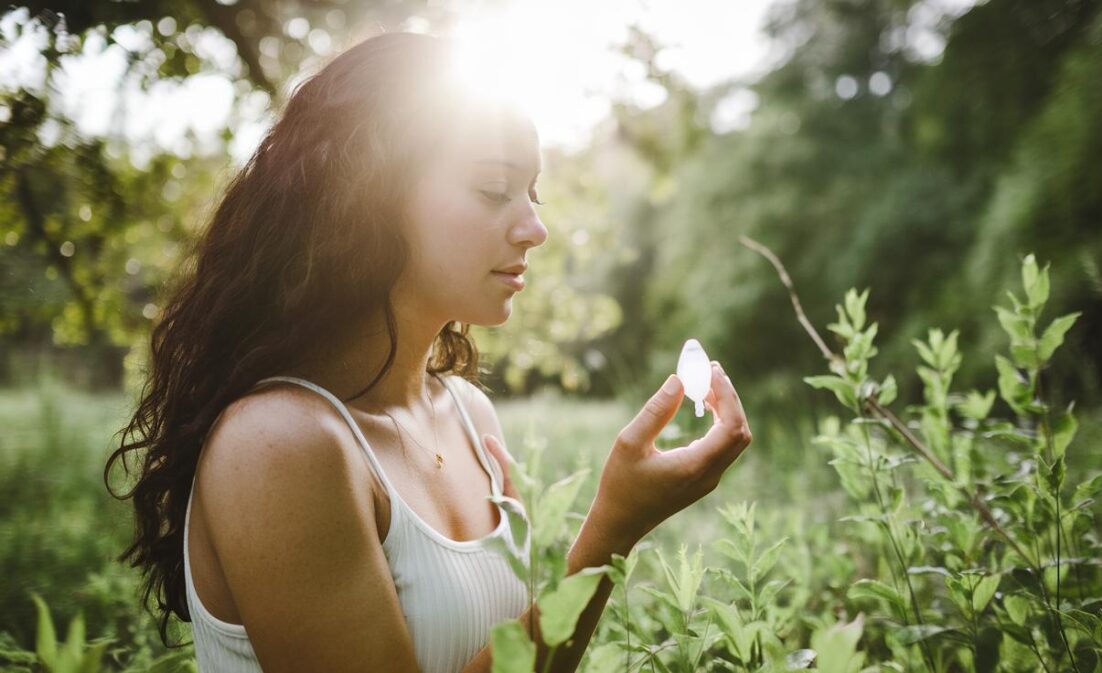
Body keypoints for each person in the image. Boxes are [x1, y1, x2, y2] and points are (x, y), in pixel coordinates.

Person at [105, 29, 753, 673]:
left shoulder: (469, 413)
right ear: (370, 197)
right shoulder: (279, 444)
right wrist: (611, 528)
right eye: (494, 190)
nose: (535, 227)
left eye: (533, 193)